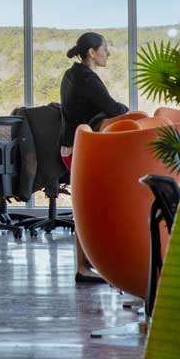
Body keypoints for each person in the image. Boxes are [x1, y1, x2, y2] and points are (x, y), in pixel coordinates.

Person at [59, 32, 130, 285]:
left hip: (71, 147)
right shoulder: (86, 78)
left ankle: (86, 264)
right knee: (85, 206)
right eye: (105, 49)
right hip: (80, 148)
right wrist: (127, 111)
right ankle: (82, 267)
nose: (107, 53)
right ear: (92, 52)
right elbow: (113, 109)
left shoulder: (72, 74)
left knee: (85, 204)